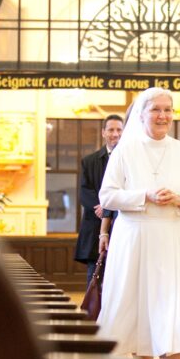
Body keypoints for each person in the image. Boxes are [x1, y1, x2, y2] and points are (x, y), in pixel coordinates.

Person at [97, 88, 180, 359]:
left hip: (171, 238)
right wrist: (145, 195)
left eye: (168, 110)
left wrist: (179, 199)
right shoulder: (125, 151)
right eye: (156, 109)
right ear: (141, 114)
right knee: (139, 311)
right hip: (135, 238)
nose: (163, 116)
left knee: (171, 310)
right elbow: (107, 196)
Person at [73, 114, 124, 285]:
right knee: (94, 275)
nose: (115, 134)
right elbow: (84, 191)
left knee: (120, 275)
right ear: (103, 132)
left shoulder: (130, 160)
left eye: (119, 130)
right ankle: (93, 303)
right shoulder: (89, 161)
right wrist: (103, 207)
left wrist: (109, 207)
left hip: (121, 222)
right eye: (111, 130)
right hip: (95, 223)